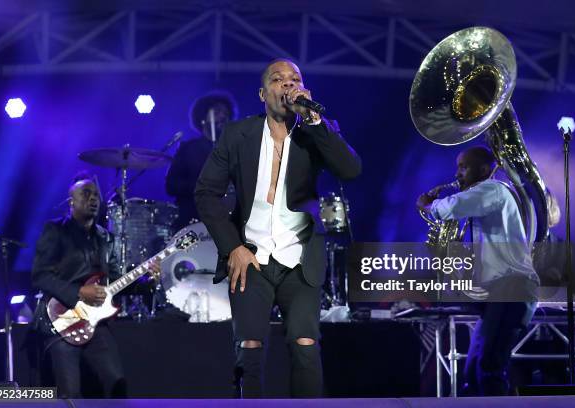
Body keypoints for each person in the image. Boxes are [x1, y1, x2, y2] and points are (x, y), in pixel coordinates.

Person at [195, 59, 361, 397]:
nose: (287, 84)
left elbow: (351, 170)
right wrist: (233, 248)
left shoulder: (317, 133)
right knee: (250, 346)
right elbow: (206, 193)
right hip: (250, 257)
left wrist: (315, 120)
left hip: (299, 257)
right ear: (262, 93)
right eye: (278, 79)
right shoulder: (237, 134)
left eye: (294, 79)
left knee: (305, 344)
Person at [417, 146, 539, 396]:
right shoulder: (486, 199)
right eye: (457, 167)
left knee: (488, 367)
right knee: (473, 372)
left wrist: (429, 205)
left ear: (484, 169)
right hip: (499, 291)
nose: (458, 173)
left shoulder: (493, 189)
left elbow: (450, 207)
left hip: (512, 287)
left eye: (464, 167)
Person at [32, 178, 157, 398]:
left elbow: (117, 282)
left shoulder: (105, 237)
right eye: (86, 194)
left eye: (96, 195)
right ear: (71, 202)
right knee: (70, 394)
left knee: (117, 385)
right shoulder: (55, 231)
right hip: (61, 319)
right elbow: (40, 276)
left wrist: (148, 281)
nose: (93, 199)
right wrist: (79, 292)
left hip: (94, 322)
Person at [166, 90, 238, 230]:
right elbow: (171, 185)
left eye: (226, 114)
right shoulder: (188, 149)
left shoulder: (234, 150)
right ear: (202, 118)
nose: (223, 116)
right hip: (192, 222)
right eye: (217, 112)